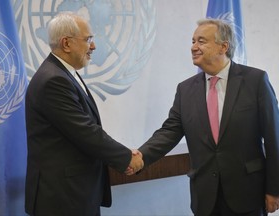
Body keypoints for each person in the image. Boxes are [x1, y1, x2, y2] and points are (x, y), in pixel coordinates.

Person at [135, 19, 279, 216]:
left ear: (223, 46)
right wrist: (140, 156)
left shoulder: (256, 81)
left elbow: (274, 138)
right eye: (193, 41)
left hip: (247, 194)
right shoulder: (185, 89)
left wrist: (274, 189)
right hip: (205, 197)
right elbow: (169, 132)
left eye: (201, 41)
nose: (193, 47)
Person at [24, 12, 143, 216]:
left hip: (73, 194)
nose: (94, 46)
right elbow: (86, 132)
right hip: (61, 200)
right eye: (88, 39)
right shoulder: (54, 80)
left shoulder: (62, 74)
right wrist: (125, 158)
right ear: (66, 43)